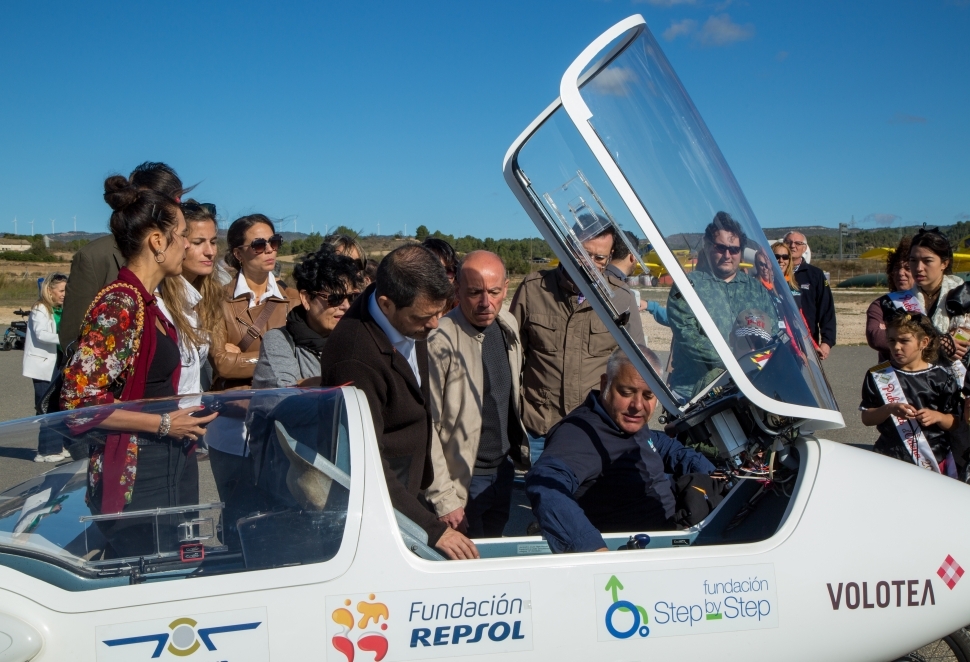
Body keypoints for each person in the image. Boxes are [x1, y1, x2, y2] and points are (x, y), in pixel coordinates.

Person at [60, 177, 216, 555]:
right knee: (144, 565)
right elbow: (77, 403)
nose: (187, 244)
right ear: (158, 242)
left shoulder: (147, 302)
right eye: (182, 235)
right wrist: (163, 423)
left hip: (164, 462)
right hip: (138, 475)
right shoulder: (120, 304)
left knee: (171, 561)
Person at [319, 245, 479, 560]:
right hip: (380, 510)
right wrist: (432, 530)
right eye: (425, 316)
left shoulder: (406, 320)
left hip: (410, 490)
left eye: (440, 312)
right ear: (386, 304)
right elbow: (365, 463)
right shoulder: (355, 357)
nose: (435, 324)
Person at [525, 349, 718, 553]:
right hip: (641, 551)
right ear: (605, 384)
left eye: (649, 395)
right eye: (626, 393)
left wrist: (714, 474)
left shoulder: (626, 421)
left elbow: (662, 444)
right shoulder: (580, 435)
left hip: (678, 528)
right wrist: (591, 548)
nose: (637, 405)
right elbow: (545, 484)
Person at [510, 223, 646, 447]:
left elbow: (636, 366)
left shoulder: (622, 299)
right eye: (583, 254)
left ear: (610, 256)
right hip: (539, 429)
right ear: (567, 247)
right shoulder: (533, 289)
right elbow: (510, 356)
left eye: (599, 258)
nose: (589, 264)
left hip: (595, 430)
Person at [425, 251, 531, 538]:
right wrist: (444, 499)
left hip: (503, 472)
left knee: (494, 549)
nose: (486, 303)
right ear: (457, 290)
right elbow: (427, 428)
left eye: (494, 292)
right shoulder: (439, 341)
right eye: (474, 293)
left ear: (506, 288)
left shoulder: (507, 324)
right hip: (464, 480)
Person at [59, 162, 186, 349]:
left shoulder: (181, 257)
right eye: (160, 201)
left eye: (178, 200)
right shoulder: (95, 258)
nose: (176, 208)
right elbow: (73, 338)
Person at [667, 212, 776, 398]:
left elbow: (771, 334)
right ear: (708, 246)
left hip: (745, 389)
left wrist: (753, 363)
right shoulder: (687, 286)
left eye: (734, 249)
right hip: (693, 392)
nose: (727, 255)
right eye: (721, 248)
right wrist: (736, 360)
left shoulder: (756, 289)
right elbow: (687, 337)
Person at [860, 313, 962, 477]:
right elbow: (866, 418)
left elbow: (955, 422)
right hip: (890, 455)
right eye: (892, 340)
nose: (896, 347)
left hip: (932, 457)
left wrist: (937, 417)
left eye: (904, 341)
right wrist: (889, 409)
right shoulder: (878, 375)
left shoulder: (942, 377)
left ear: (924, 342)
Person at [253, 243, 363, 388]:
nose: (346, 306)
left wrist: (305, 384)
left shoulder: (360, 338)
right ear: (306, 298)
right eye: (335, 298)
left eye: (352, 297)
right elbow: (284, 394)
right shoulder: (280, 340)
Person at [211, 214, 299, 389]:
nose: (269, 249)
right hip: (235, 400)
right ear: (238, 254)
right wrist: (282, 358)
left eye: (274, 242)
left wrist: (241, 360)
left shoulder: (294, 300)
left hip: (281, 399)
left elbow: (303, 358)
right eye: (259, 245)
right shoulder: (218, 301)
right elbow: (222, 365)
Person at [156, 200, 223, 394]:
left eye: (213, 242)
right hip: (165, 411)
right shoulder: (158, 302)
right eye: (198, 242)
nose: (210, 252)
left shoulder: (209, 296)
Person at [24, 273, 68, 461]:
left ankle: (55, 445)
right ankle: (47, 451)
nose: (64, 294)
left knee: (57, 404)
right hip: (43, 365)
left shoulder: (61, 310)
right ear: (49, 290)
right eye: (61, 290)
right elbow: (41, 334)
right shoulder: (40, 309)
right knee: (46, 405)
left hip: (58, 362)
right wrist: (65, 338)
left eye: (66, 290)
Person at [784, 231, 836, 359]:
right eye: (788, 242)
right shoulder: (772, 272)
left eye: (798, 243)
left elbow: (826, 309)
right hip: (780, 341)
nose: (792, 246)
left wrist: (827, 341)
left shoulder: (815, 275)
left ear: (805, 248)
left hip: (807, 341)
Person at [866, 237, 914, 363]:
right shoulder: (881, 304)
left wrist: (891, 331)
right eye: (896, 268)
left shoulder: (931, 300)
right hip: (891, 372)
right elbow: (876, 338)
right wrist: (920, 336)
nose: (900, 272)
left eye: (907, 268)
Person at [422, 237, 459, 310]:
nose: (442, 277)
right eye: (434, 270)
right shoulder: (405, 312)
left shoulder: (463, 310)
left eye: (448, 270)